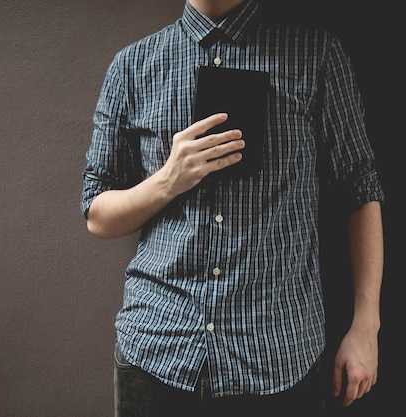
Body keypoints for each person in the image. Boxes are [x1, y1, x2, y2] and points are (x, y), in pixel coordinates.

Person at [80, 0, 385, 415]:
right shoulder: (132, 66)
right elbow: (96, 214)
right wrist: (168, 180)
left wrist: (366, 327)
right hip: (157, 352)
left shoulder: (316, 55)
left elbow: (360, 187)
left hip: (279, 357)